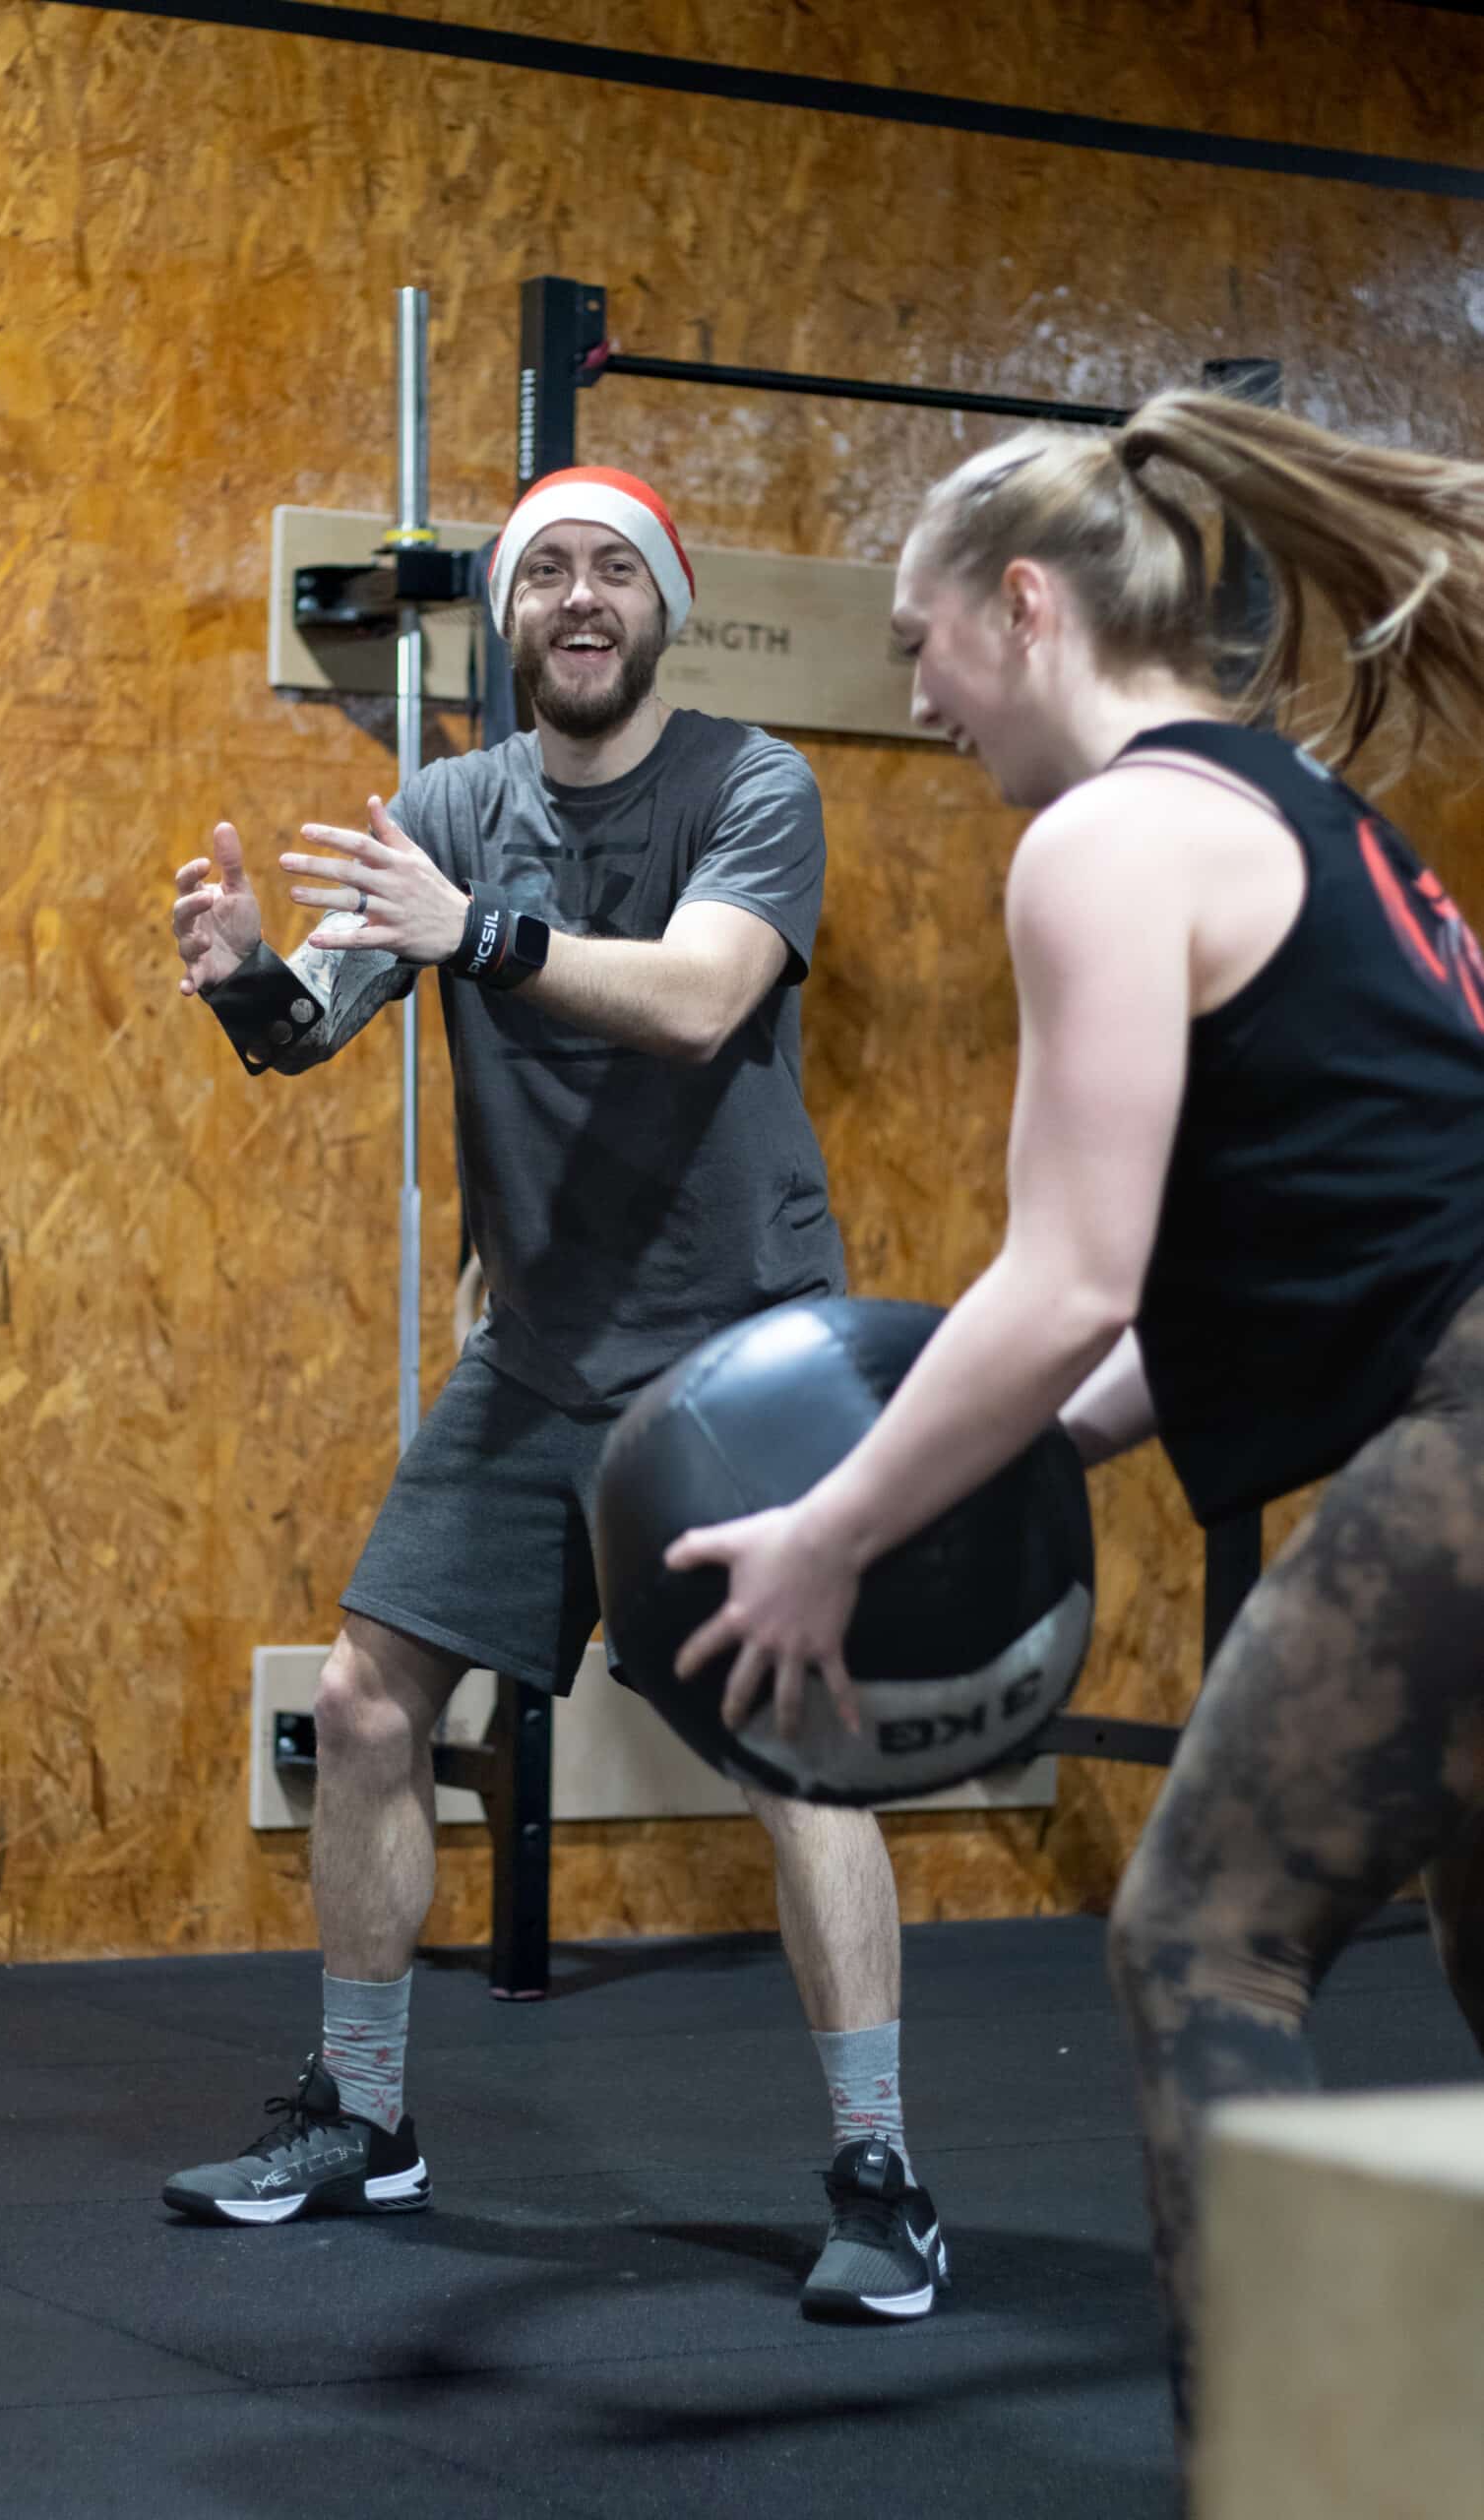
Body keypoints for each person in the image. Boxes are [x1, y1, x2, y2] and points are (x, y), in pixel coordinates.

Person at [667, 396, 1484, 2441]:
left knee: (1203, 1935)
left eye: (918, 643)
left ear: (1021, 607)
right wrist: (987, 1461)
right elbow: (1201, 1311)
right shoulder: (1293, 810)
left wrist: (835, 1525)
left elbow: (1061, 1283)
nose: (917, 696)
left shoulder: (1105, 838)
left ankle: (1314, 2470)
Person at [161, 467, 949, 2321]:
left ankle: (881, 2177)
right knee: (366, 1705)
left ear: (663, 607)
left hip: (741, 1354)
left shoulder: (755, 786)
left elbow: (697, 999)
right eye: (546, 577)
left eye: (613, 572)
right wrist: (245, 982)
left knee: (793, 1756)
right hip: (532, 1360)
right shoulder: (448, 806)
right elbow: (317, 1024)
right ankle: (364, 2121)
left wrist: (483, 937)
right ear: (510, 621)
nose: (578, 601)